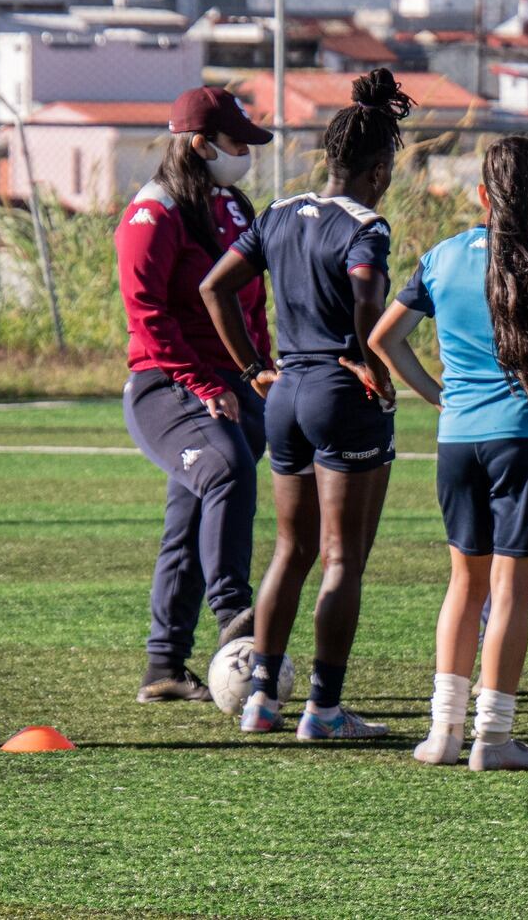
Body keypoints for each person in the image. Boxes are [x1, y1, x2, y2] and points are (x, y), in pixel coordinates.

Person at [370, 136, 528, 771]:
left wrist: (437, 396)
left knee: (464, 586)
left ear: (480, 195)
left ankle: (442, 734)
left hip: (459, 442)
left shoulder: (442, 257)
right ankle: (492, 738)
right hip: (526, 441)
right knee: (510, 595)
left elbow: (383, 337)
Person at [200, 68, 413, 741]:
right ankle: (323, 708)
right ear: (379, 169)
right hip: (341, 395)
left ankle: (261, 699)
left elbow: (215, 288)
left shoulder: (279, 212)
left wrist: (253, 368)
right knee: (342, 558)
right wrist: (371, 359)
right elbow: (368, 297)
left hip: (285, 393)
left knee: (289, 550)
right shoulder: (368, 224)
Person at [116, 85, 273, 703]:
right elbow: (147, 316)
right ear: (200, 144)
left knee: (190, 515)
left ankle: (163, 667)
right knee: (227, 470)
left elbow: (250, 304)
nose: (245, 154)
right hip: (165, 383)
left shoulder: (233, 204)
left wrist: (256, 368)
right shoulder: (151, 214)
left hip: (230, 384)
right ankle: (236, 615)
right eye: (236, 142)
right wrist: (206, 382)